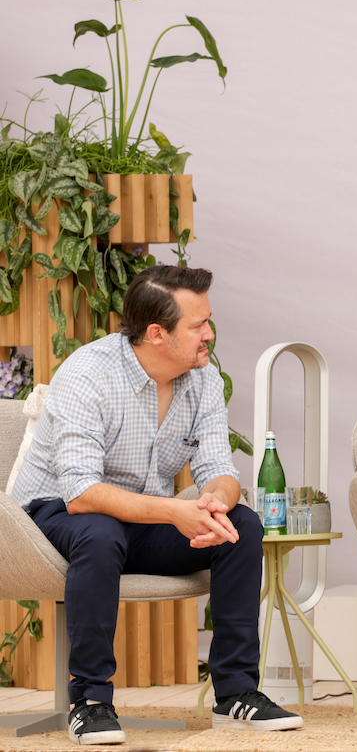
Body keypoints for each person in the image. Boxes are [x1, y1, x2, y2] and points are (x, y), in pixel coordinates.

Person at [10, 265, 302, 746]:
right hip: (54, 514)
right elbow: (81, 493)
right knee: (100, 531)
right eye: (197, 325)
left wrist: (213, 505)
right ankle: (91, 701)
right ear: (156, 333)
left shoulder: (203, 380)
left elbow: (218, 469)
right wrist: (175, 512)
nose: (209, 334)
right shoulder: (88, 374)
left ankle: (235, 694)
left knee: (243, 525)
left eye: (208, 320)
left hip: (138, 519)